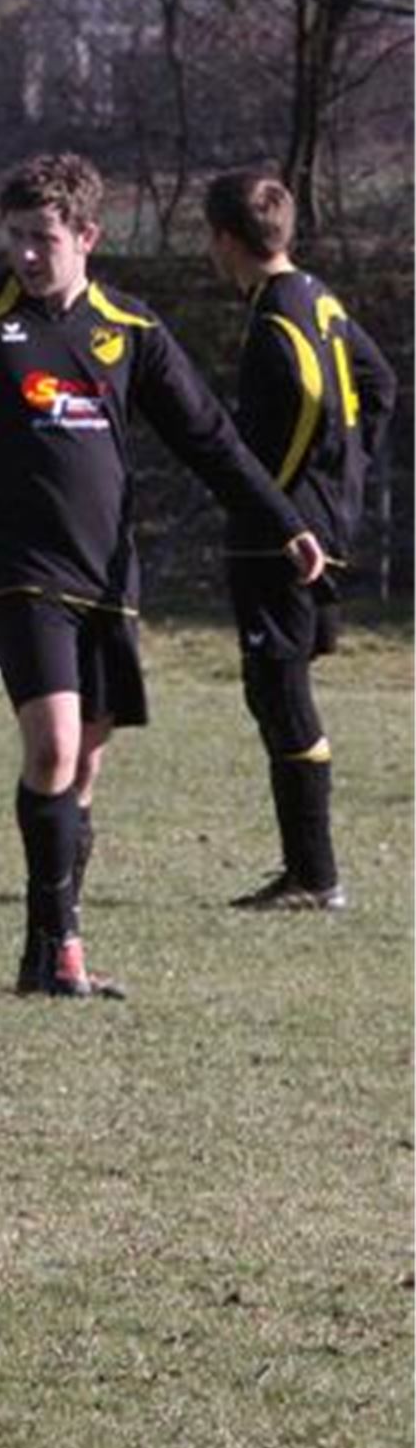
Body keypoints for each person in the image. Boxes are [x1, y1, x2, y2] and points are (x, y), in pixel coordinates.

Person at [0, 153, 326, 1000]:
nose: (25, 254)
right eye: (16, 236)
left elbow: (209, 441)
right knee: (54, 745)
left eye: (44, 238)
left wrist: (285, 525)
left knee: (85, 765)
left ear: (87, 237)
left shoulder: (130, 331)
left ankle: (52, 955)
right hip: (20, 564)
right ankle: (53, 948)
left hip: (107, 571)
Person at [203, 170, 397, 911]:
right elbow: (377, 384)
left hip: (279, 539)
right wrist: (345, 473)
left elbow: (309, 395)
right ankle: (307, 873)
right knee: (282, 689)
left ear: (225, 239)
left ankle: (313, 876)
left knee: (280, 692)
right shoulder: (320, 297)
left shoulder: (274, 319)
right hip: (323, 523)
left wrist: (280, 500)